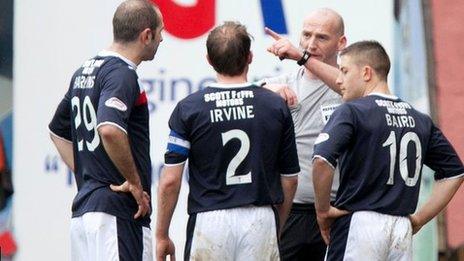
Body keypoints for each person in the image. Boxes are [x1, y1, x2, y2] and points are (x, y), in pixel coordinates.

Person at [155, 21, 300, 261]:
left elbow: (170, 180)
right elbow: (290, 180)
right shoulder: (274, 105)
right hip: (260, 217)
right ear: (250, 57)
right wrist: (276, 226)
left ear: (209, 60)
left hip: (210, 220)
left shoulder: (190, 108)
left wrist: (162, 235)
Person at [312, 40, 464, 261]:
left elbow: (321, 161)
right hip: (401, 227)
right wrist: (419, 218)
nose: (338, 79)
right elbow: (454, 173)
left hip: (359, 224)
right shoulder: (419, 119)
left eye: (344, 71)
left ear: (366, 73)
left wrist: (322, 211)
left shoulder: (352, 111)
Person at [48, 1, 164, 260]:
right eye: (160, 32)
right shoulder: (122, 73)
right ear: (146, 35)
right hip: (117, 215)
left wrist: (93, 178)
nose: (162, 38)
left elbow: (57, 132)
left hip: (86, 213)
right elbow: (109, 128)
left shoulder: (84, 71)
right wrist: (134, 183)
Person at [264, 8, 346, 260]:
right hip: (290, 212)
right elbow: (247, 93)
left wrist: (300, 56)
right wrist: (266, 88)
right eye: (306, 35)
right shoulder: (283, 81)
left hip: (336, 213)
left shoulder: (350, 84)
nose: (311, 44)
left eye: (322, 37)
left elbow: (346, 85)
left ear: (341, 43)